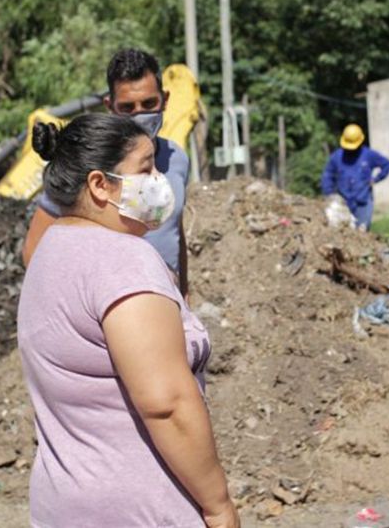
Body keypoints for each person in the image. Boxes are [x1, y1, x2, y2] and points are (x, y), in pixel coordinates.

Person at [18, 113, 238, 528]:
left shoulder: (50, 253)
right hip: (139, 509)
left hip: (63, 505)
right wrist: (218, 504)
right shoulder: (123, 260)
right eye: (145, 168)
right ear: (100, 185)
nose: (159, 180)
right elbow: (167, 404)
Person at [24, 48, 191, 295]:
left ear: (164, 100)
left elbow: (175, 231)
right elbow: (34, 251)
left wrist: (184, 292)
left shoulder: (178, 159)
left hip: (168, 302)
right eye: (127, 107)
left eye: (148, 103)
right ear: (109, 106)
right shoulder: (86, 164)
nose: (139, 114)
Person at [320, 124, 389, 230]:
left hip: (363, 201)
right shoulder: (337, 157)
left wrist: (376, 179)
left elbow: (387, 164)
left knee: (362, 232)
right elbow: (327, 175)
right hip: (343, 202)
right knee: (343, 231)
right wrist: (329, 193)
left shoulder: (369, 155)